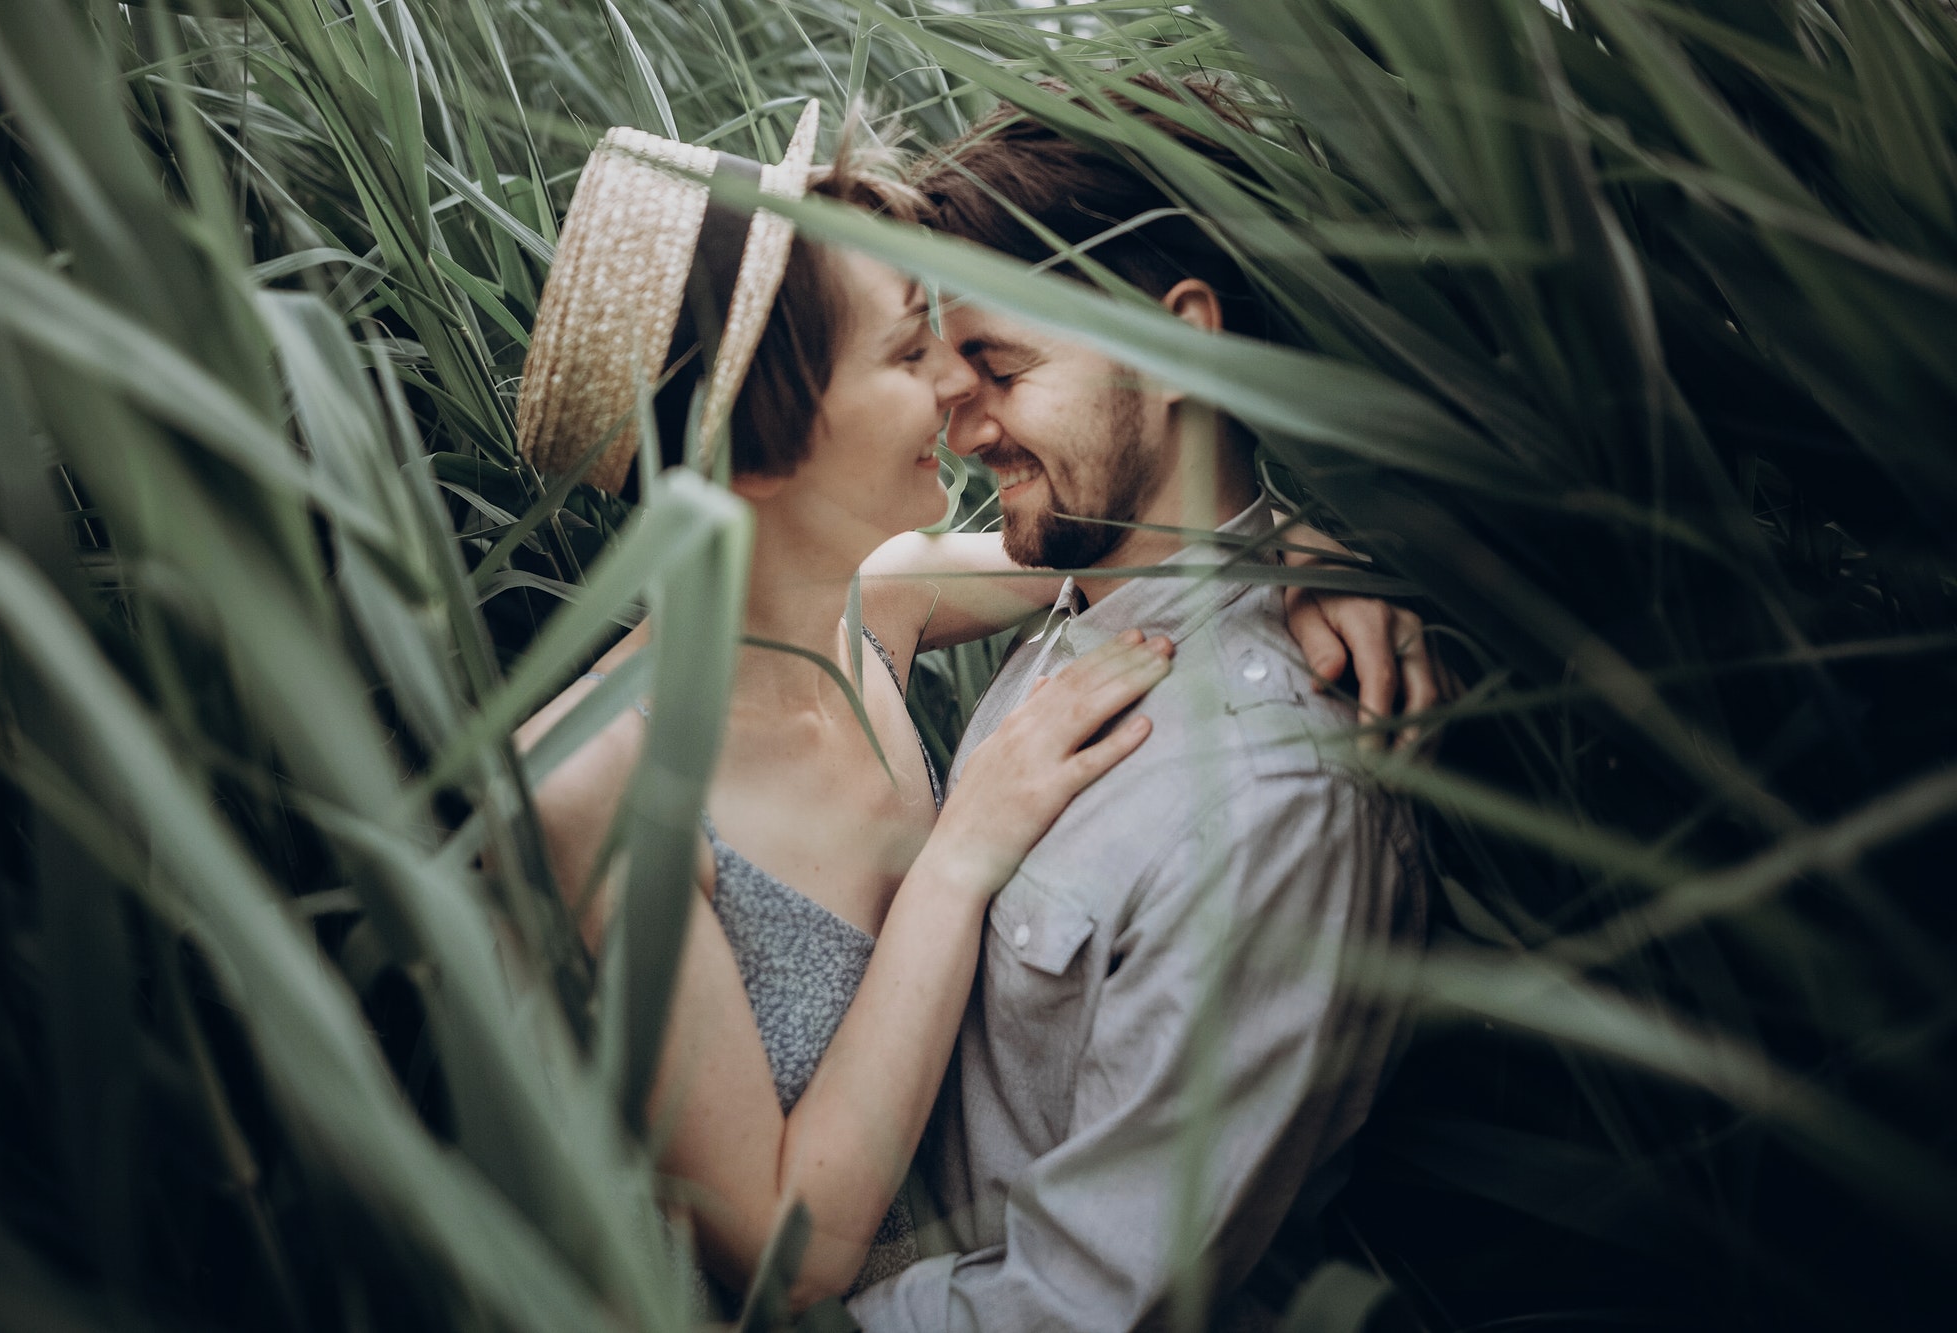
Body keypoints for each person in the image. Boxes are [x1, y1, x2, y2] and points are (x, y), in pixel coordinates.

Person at [513, 102, 1431, 1314]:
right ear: (767, 429)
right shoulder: (596, 783)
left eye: (980, 360)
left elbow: (1147, 532)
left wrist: (1306, 556)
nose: (951, 392)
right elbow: (782, 1260)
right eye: (911, 355)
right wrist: (954, 858)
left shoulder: (877, 608)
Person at [843, 77, 1430, 1331]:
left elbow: (1080, 1307)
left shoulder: (1274, 801)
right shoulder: (1083, 591)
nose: (959, 429)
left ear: (1179, 344)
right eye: (947, 375)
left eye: (996, 367)